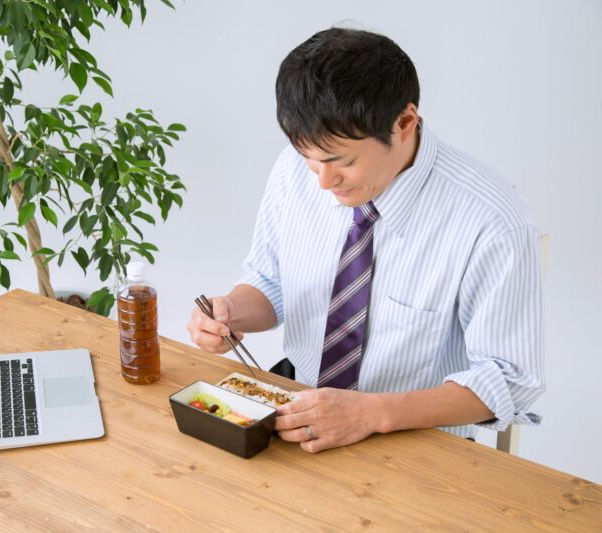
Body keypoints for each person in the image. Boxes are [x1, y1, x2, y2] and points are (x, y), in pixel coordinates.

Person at [186, 27, 544, 453]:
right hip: (297, 419)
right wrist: (230, 312)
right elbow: (271, 282)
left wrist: (369, 413)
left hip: (419, 445)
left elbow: (511, 379)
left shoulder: (492, 220)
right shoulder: (296, 170)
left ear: (405, 123)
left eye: (343, 162)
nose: (322, 182)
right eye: (310, 160)